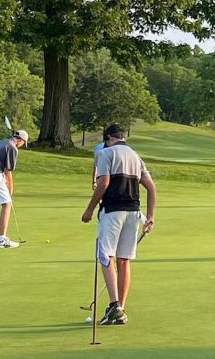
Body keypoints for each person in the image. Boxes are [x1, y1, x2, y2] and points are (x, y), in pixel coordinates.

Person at [82, 123, 156, 325]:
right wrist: (150, 217)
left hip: (112, 212)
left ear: (108, 139)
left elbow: (104, 183)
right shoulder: (135, 156)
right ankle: (120, 309)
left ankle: (114, 305)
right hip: (133, 213)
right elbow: (151, 188)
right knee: (124, 260)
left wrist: (89, 209)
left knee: (106, 256)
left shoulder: (105, 153)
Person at [0, 129, 29, 248]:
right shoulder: (13, 148)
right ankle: (2, 239)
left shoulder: (3, 141)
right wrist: (10, 188)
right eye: (24, 143)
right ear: (21, 140)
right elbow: (8, 171)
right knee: (7, 204)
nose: (22, 145)